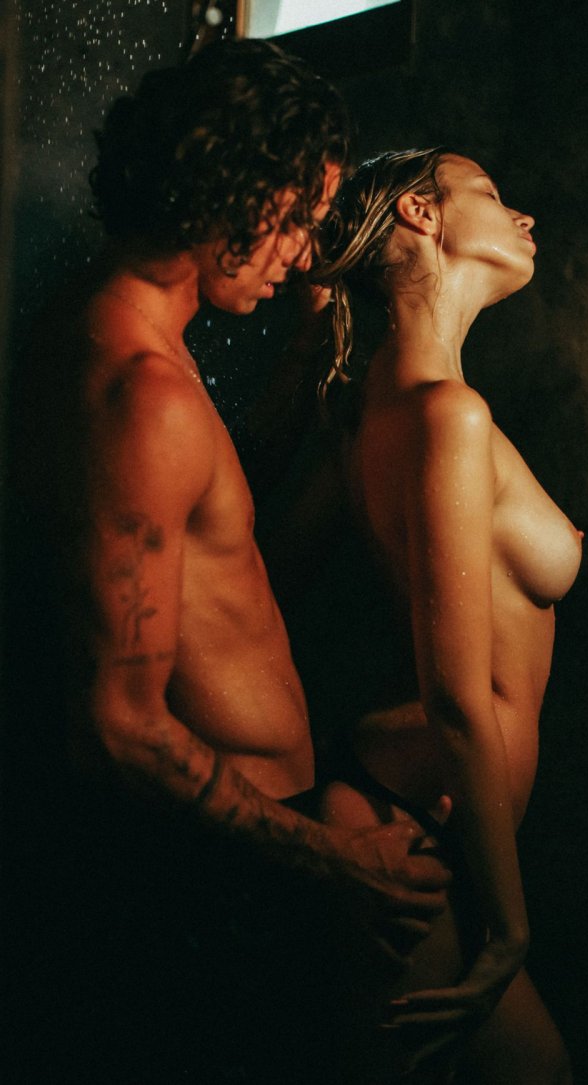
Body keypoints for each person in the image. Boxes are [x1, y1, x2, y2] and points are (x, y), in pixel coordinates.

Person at [6, 47, 451, 1085]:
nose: (302, 252)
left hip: (238, 859)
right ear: (234, 188)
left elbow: (200, 516)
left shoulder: (104, 332)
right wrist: (337, 858)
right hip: (222, 878)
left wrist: (301, 363)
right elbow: (118, 728)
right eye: (296, 218)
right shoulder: (139, 390)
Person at [313, 148, 582, 1083]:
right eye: (494, 196)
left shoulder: (380, 408)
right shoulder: (445, 415)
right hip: (408, 837)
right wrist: (509, 930)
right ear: (423, 214)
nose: (524, 217)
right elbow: (459, 699)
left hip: (422, 818)